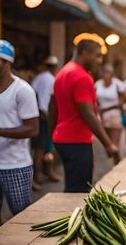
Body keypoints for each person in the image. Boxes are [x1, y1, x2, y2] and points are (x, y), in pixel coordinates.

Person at [50, 34, 119, 192]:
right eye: (97, 56)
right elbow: (87, 113)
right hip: (76, 141)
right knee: (78, 191)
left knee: (72, 186)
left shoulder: (63, 72)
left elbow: (52, 106)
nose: (99, 61)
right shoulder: (82, 76)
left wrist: (52, 135)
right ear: (85, 53)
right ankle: (72, 216)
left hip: (63, 139)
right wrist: (108, 144)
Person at [0, 40, 39, 233]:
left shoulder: (22, 90)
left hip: (15, 165)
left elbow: (33, 129)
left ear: (7, 63)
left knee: (21, 214)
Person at [30, 55, 61, 190]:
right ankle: (37, 177)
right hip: (45, 117)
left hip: (40, 115)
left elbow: (33, 93)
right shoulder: (52, 79)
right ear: (54, 67)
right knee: (42, 148)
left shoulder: (39, 77)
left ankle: (46, 173)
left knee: (45, 148)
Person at [95, 64, 125, 163]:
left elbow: (122, 100)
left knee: (114, 144)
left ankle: (117, 162)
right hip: (102, 116)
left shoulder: (118, 84)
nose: (106, 75)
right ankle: (114, 155)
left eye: (108, 73)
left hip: (114, 114)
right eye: (104, 73)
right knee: (107, 143)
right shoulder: (98, 85)